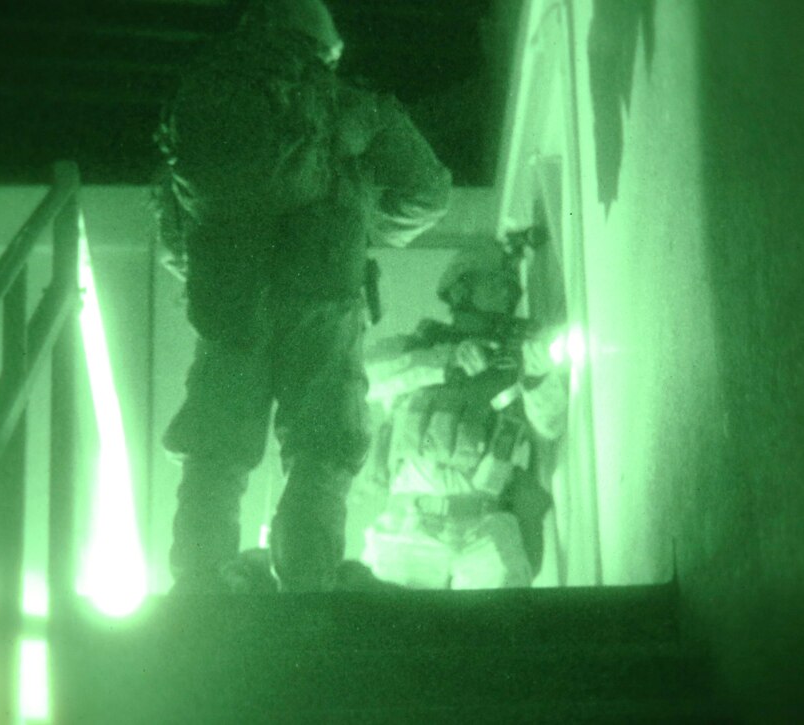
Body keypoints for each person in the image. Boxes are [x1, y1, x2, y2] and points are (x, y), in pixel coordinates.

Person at [154, 0, 452, 593]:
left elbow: (173, 230)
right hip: (321, 295)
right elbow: (428, 193)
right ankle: (307, 588)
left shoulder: (206, 96)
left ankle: (197, 586)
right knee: (322, 450)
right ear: (324, 46)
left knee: (213, 454)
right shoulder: (346, 103)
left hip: (228, 303)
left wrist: (223, 272)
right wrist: (365, 217)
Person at [359, 244, 567, 589]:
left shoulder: (517, 358)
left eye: (509, 285)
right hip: (408, 525)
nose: (506, 292)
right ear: (461, 289)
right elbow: (362, 377)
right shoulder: (417, 348)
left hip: (487, 523)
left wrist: (537, 376)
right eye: (493, 283)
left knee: (501, 630)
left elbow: (550, 425)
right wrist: (446, 361)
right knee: (387, 625)